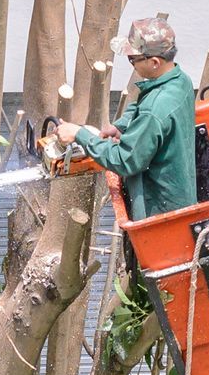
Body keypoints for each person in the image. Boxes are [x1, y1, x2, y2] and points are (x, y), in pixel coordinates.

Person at [54, 14, 198, 221]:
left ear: (155, 61)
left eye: (133, 60)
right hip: (177, 194)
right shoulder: (179, 80)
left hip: (158, 211)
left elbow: (125, 160)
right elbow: (144, 109)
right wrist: (122, 125)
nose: (131, 64)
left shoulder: (155, 109)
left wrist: (80, 135)